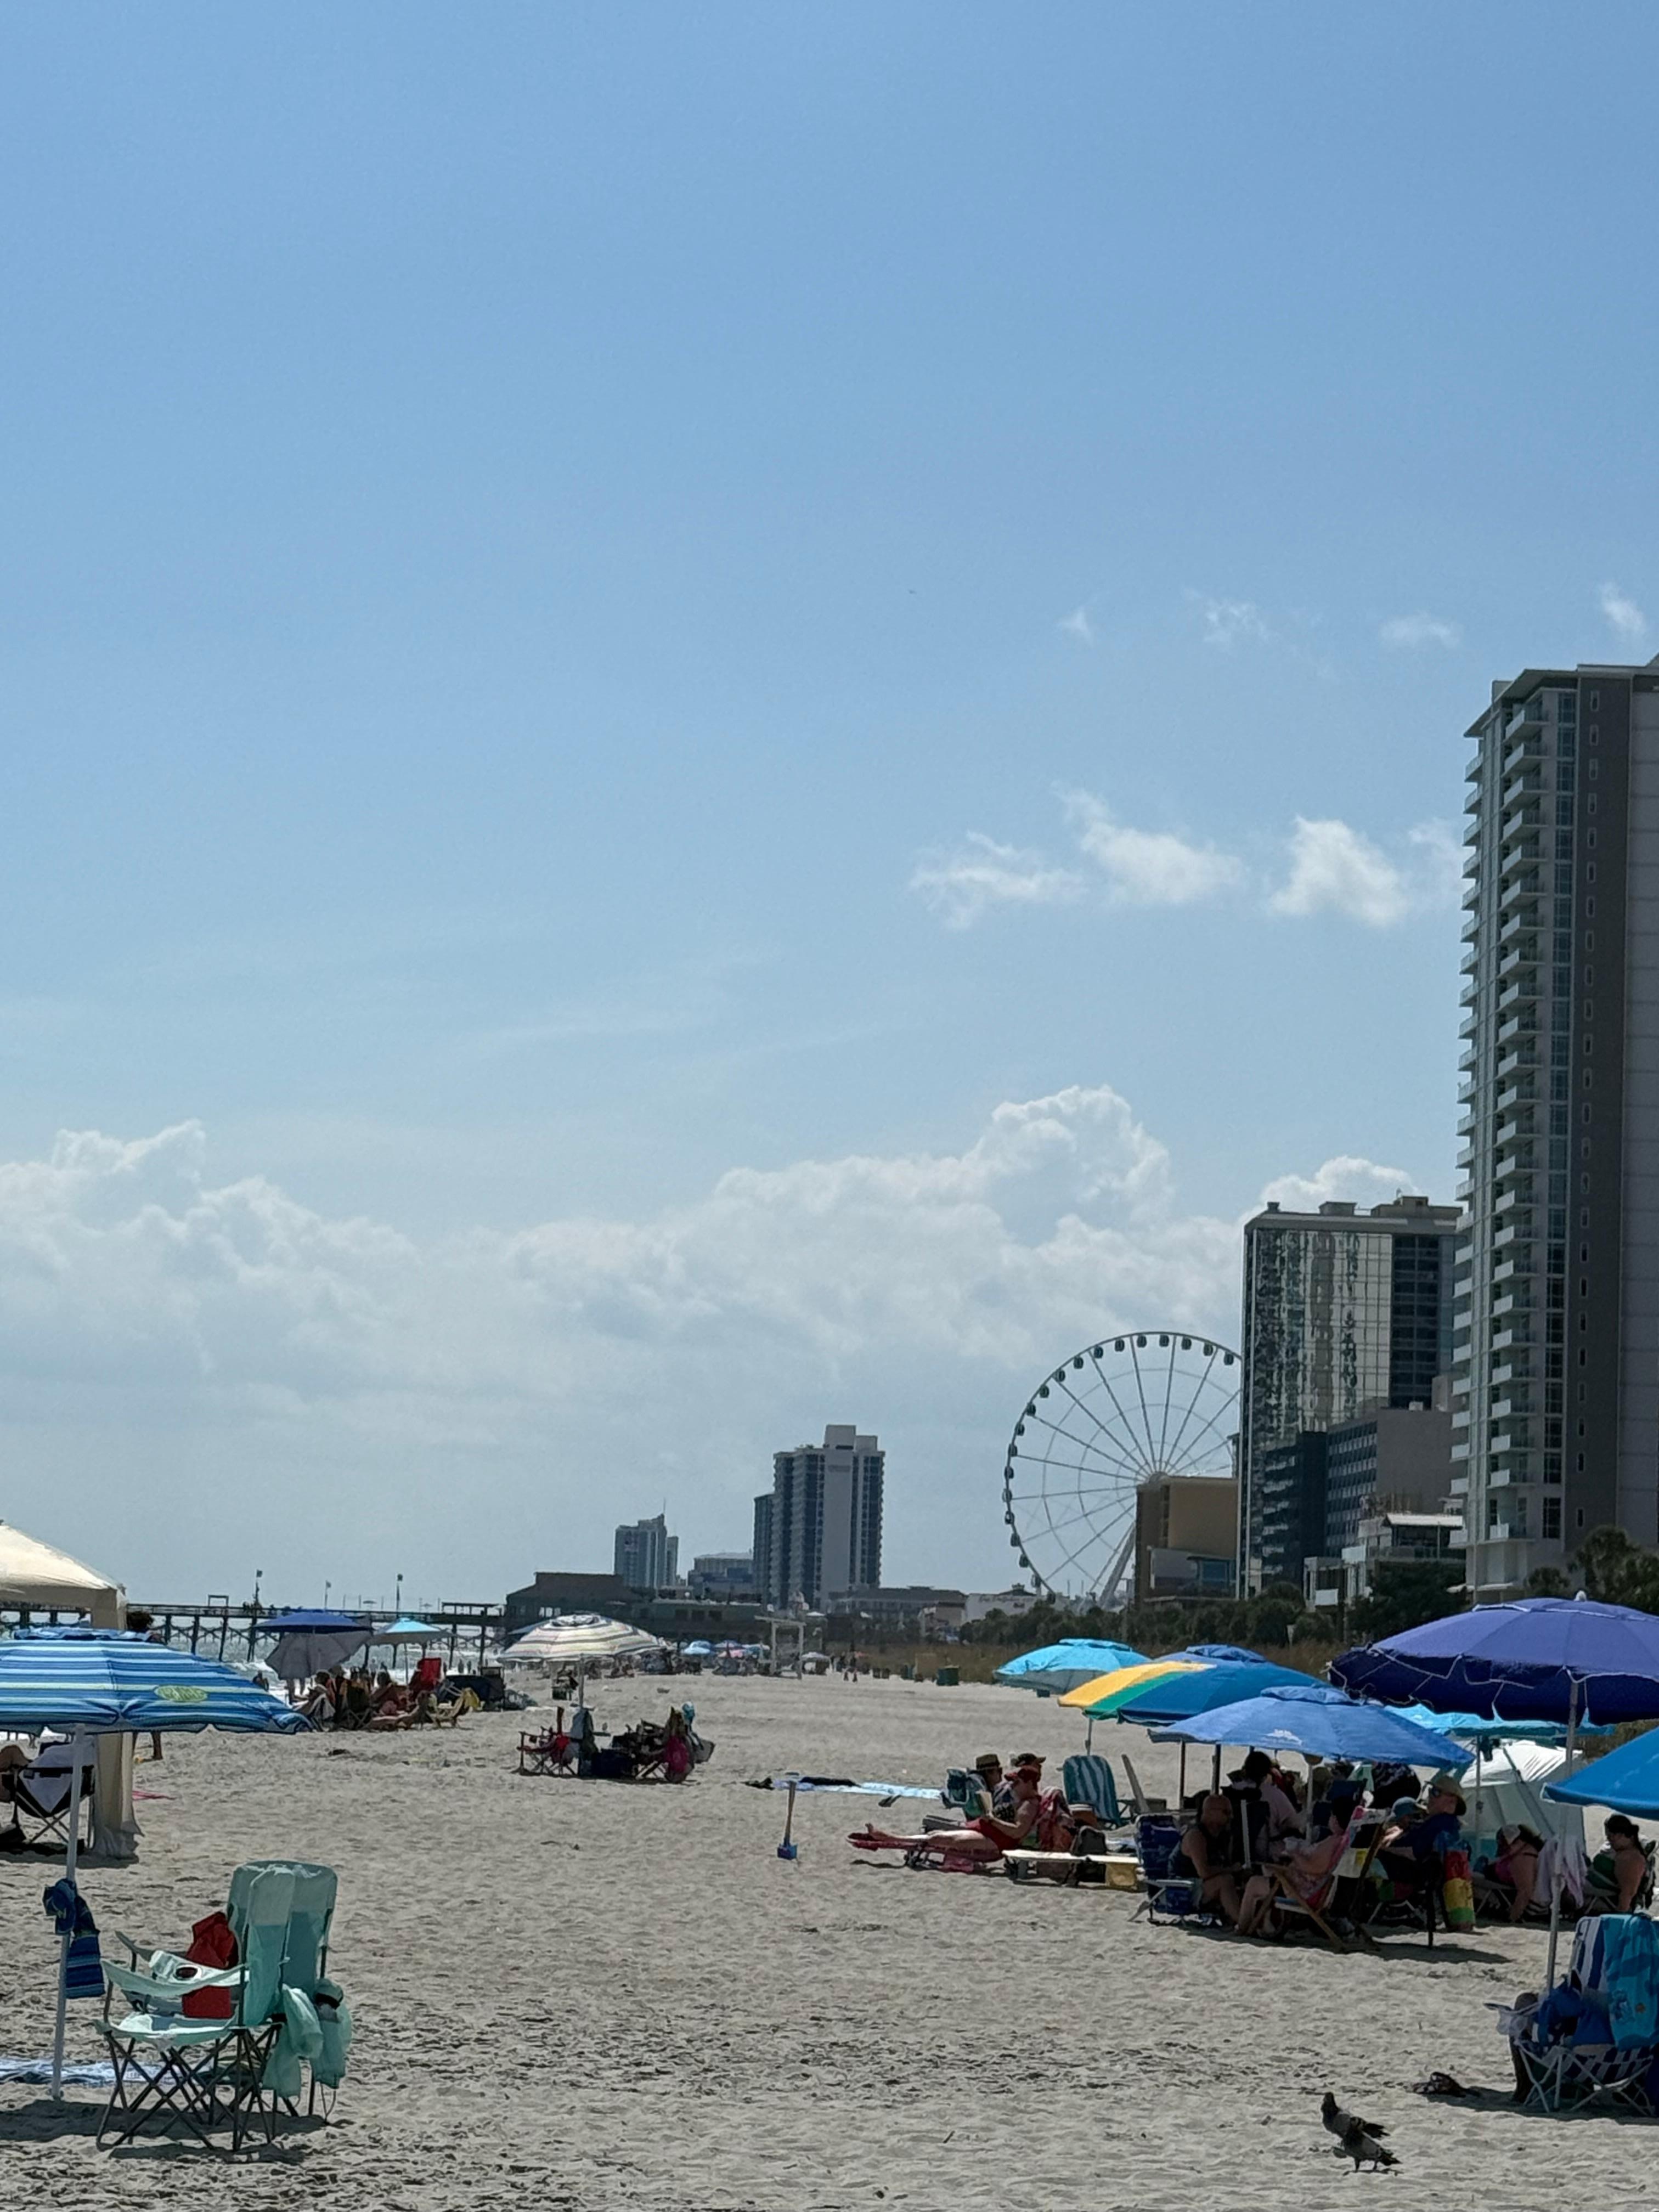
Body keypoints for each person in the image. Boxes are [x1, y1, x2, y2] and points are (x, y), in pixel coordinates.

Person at [850, 1762, 1042, 1865]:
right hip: (989, 1832)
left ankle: (887, 1838)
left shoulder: (1029, 1804)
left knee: (940, 1839)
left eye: (1017, 1783)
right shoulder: (1023, 1800)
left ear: (1028, 1784)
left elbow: (1017, 1832)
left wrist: (992, 1819)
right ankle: (888, 1839)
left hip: (996, 1840)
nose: (1013, 1785)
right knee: (936, 1836)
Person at [1234, 1801, 1353, 1937]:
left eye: (1332, 1816)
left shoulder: (1334, 1842)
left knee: (1254, 1883)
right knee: (1268, 1872)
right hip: (1307, 1887)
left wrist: (1295, 1855)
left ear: (1336, 1820)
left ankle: (1242, 1928)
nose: (1330, 1819)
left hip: (1303, 1891)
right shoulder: (1342, 1842)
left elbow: (1315, 1868)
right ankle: (1264, 1925)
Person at [1377, 1771, 1465, 1906]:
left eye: (1436, 1793)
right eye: (1431, 1791)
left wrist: (1382, 1849)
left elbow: (1415, 1853)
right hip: (1420, 1871)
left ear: (1451, 1800)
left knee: (1366, 1858)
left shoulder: (1441, 1823)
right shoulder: (1441, 1821)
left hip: (1417, 1872)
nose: (1430, 1796)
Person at [1172, 1793, 1245, 1925]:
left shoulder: (1223, 1836)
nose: (1231, 1817)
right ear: (1210, 1813)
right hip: (1185, 1887)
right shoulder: (1196, 1836)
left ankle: (1251, 1920)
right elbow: (1204, 1872)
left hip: (1204, 1885)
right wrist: (1231, 1870)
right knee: (1226, 1881)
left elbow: (1224, 1864)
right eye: (1226, 1812)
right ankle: (1242, 1923)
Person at [1583, 1814, 1655, 1915]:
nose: (1609, 1840)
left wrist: (1620, 1918)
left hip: (1598, 1895)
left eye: (1610, 1837)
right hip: (1590, 1886)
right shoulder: (1622, 1850)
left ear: (1620, 1835)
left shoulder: (1630, 1859)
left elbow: (1627, 1894)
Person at [1236, 1750, 1305, 1846]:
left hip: (1234, 1849)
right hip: (1267, 1851)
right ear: (1268, 1771)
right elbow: (1294, 1823)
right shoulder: (1274, 1794)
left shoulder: (1234, 1790)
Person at [1492, 1824, 1545, 1923]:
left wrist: (1513, 1916)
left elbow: (1525, 1891)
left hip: (1505, 1888)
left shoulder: (1523, 1858)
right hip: (1507, 1884)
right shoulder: (1531, 1850)